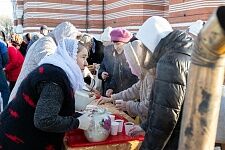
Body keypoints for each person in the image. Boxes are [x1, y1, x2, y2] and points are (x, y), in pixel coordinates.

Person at [0, 38, 93, 149]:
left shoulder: (55, 70)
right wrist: (77, 122)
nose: (86, 63)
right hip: (19, 140)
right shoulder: (54, 79)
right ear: (70, 56)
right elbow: (44, 120)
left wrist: (77, 115)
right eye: (83, 57)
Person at [128, 16, 194, 150]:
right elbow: (165, 106)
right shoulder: (183, 53)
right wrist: (144, 126)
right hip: (188, 135)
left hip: (175, 140)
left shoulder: (170, 61)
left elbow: (165, 118)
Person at [9, 21, 82, 102]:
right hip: (21, 100)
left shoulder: (52, 43)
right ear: (64, 36)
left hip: (28, 95)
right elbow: (51, 67)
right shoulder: (46, 43)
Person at [97, 39, 154, 122]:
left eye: (129, 61)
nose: (128, 63)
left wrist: (127, 105)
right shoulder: (144, 75)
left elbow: (147, 107)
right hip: (147, 122)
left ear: (137, 59)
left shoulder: (151, 76)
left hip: (153, 124)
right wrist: (111, 98)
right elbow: (133, 90)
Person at [100, 28, 138, 97]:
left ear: (126, 43)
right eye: (114, 44)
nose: (115, 47)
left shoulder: (134, 57)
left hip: (133, 96)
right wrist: (111, 88)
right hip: (122, 96)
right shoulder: (118, 56)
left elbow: (136, 81)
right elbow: (115, 75)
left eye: (118, 44)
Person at [0, 31, 10, 109]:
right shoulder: (1, 43)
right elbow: (6, 58)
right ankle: (5, 112)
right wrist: (3, 66)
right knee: (5, 91)